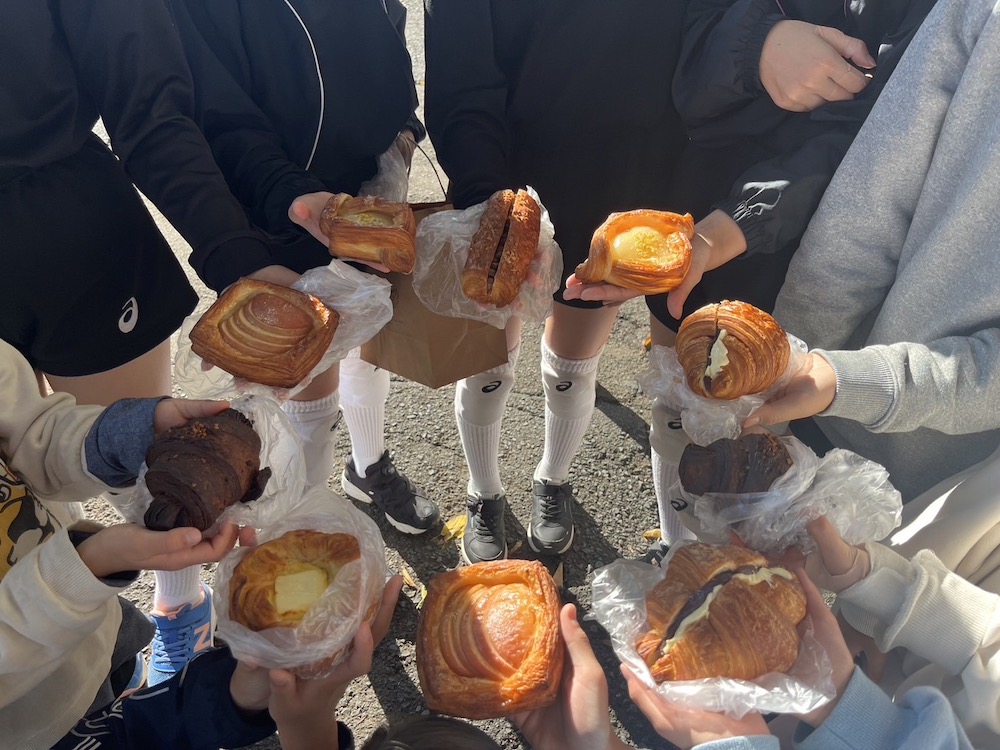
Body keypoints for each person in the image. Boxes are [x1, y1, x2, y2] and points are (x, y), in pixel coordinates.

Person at [0, 0, 320, 687]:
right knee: (21, 489)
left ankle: (181, 602)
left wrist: (236, 258)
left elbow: (147, 106)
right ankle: (59, 644)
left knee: (148, 460)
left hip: (68, 234)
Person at [562, 0, 938, 561]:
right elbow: (674, 37)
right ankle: (678, 549)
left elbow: (887, 126)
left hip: (825, 252)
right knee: (682, 402)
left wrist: (726, 230)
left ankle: (739, 568)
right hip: (698, 199)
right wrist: (753, 46)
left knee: (771, 438)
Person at [423, 0, 688, 563]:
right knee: (489, 364)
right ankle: (484, 490)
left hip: (616, 185)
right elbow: (461, 79)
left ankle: (552, 476)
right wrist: (485, 205)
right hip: (504, 186)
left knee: (572, 364)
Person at [163, 0, 440, 536]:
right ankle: (307, 521)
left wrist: (402, 130)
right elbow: (214, 111)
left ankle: (368, 464)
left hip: (370, 182)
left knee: (370, 326)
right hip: (276, 195)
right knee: (309, 373)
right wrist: (286, 193)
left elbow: (389, 25)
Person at [742, 0, 1000, 510]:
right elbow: (871, 205)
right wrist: (785, 366)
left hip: (965, 489)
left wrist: (851, 380)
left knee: (894, 587)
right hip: (832, 393)